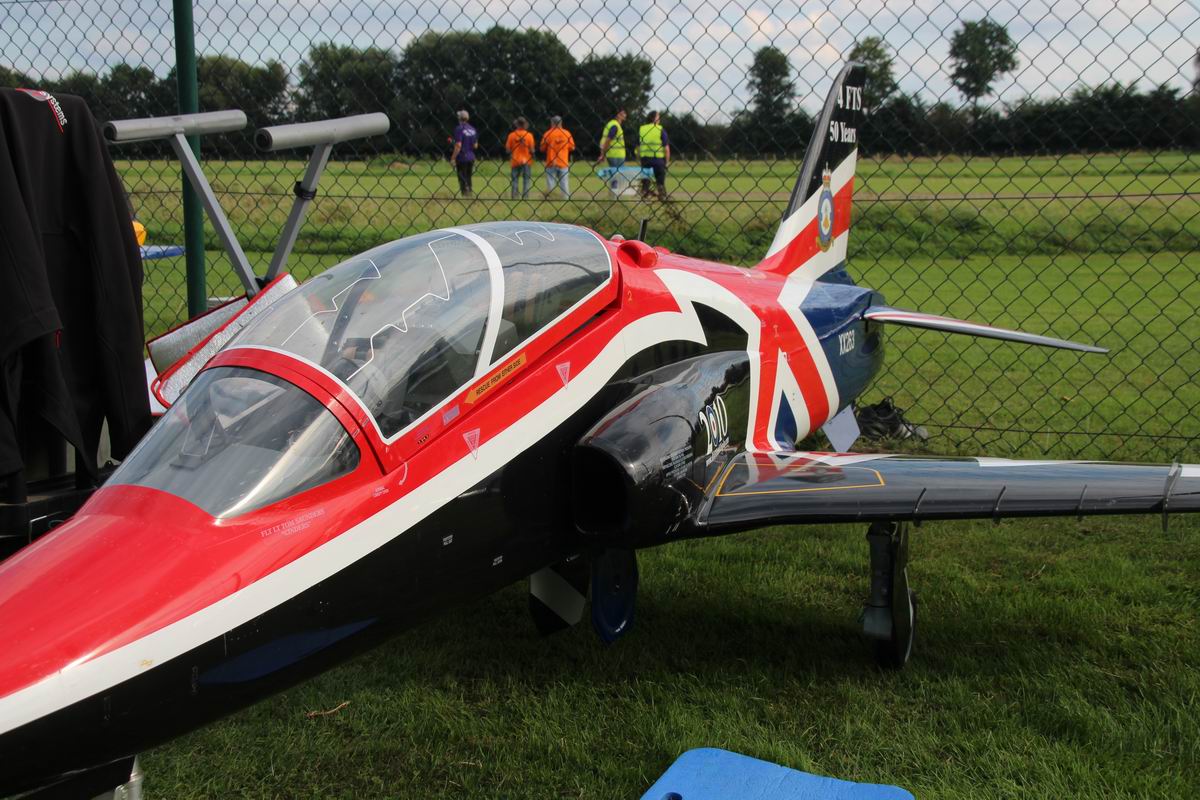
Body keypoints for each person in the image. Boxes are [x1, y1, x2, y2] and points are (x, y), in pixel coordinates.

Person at [539, 115, 575, 199]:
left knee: (551, 182)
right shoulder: (567, 133)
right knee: (564, 182)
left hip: (551, 162)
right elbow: (572, 147)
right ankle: (565, 198)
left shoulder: (548, 133)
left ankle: (551, 198)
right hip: (563, 162)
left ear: (552, 123)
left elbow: (542, 148)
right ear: (561, 123)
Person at [638, 110, 671, 200]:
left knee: (645, 179)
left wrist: (639, 159)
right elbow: (666, 149)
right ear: (654, 118)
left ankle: (644, 194)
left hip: (645, 159)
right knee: (660, 180)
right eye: (658, 117)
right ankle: (662, 195)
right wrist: (667, 162)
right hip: (658, 160)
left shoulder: (642, 129)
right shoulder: (660, 129)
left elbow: (639, 147)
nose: (659, 119)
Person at [449, 110, 478, 197]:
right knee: (468, 176)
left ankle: (465, 194)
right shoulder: (472, 129)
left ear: (459, 118)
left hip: (462, 157)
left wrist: (453, 158)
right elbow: (475, 145)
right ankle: (469, 192)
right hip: (471, 156)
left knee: (462, 177)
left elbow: (458, 145)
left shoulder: (459, 128)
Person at [505, 117, 535, 199]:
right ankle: (525, 197)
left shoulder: (511, 135)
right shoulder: (529, 135)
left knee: (514, 180)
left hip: (515, 160)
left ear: (517, 125)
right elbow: (532, 150)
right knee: (526, 180)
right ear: (525, 125)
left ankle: (514, 196)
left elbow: (507, 150)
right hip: (526, 160)